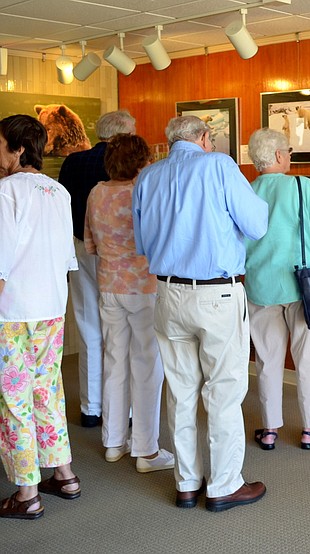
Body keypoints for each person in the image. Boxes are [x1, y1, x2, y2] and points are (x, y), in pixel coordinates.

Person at [133, 116, 269, 512]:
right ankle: (224, 484)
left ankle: (187, 483)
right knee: (224, 392)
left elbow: (143, 242)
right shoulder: (219, 165)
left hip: (167, 293)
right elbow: (257, 225)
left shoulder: (149, 175)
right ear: (205, 138)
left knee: (179, 391)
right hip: (216, 296)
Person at [0, 114, 80, 519]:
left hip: (12, 311)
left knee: (15, 400)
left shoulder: (6, 192)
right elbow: (67, 257)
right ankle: (64, 474)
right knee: (47, 391)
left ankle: (27, 492)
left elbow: (0, 260)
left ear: (16, 148)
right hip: (51, 307)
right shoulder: (57, 191)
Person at [244, 128, 310, 451]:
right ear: (277, 156)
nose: (289, 156)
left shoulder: (246, 191)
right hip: (303, 286)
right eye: (287, 150)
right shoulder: (301, 186)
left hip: (259, 287)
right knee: (309, 358)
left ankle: (269, 429)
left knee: (267, 361)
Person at [84, 134, 174, 472]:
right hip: (144, 288)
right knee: (147, 367)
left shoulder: (96, 192)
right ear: (141, 161)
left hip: (109, 286)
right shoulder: (144, 192)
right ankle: (146, 450)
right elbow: (158, 241)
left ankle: (113, 442)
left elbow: (90, 244)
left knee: (114, 363)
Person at [59, 110, 136, 428]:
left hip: (79, 249)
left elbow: (64, 208)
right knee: (122, 331)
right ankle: (123, 409)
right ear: (123, 134)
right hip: (120, 255)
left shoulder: (73, 163)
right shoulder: (128, 164)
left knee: (89, 326)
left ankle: (91, 408)